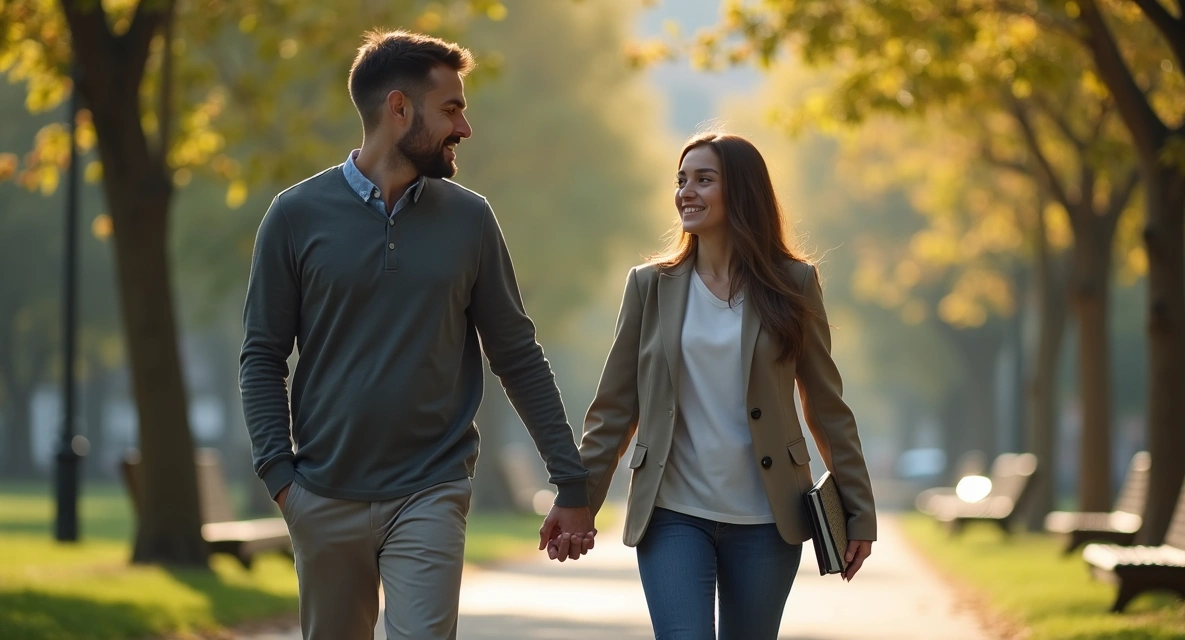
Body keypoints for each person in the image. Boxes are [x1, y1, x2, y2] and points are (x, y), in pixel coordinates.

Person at [239, 29, 595, 640]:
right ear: (398, 108)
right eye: (451, 108)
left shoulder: (470, 219)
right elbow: (262, 355)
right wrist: (281, 479)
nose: (465, 127)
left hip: (431, 486)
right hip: (322, 493)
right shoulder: (295, 216)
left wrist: (570, 479)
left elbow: (517, 354)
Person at [556, 132, 878, 639]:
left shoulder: (793, 285)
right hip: (672, 514)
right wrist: (578, 500)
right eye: (681, 180)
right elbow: (614, 408)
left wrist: (859, 512)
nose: (687, 191)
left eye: (704, 180)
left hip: (768, 521)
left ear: (743, 192)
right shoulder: (649, 286)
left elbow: (826, 406)